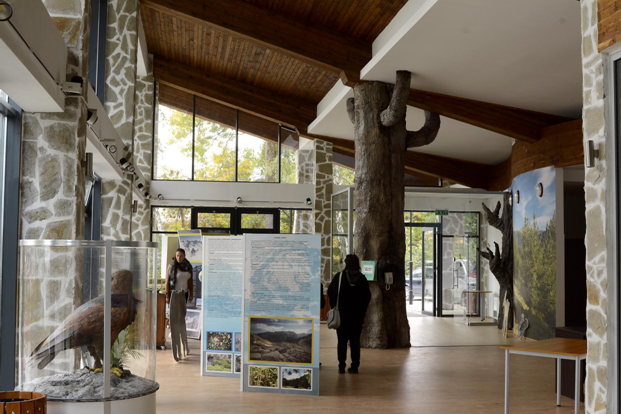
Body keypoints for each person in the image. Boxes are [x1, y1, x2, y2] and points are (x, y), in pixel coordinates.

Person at [328, 254, 371, 374]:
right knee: (355, 342)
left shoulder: (339, 277)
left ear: (346, 264)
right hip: (356, 318)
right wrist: (361, 312)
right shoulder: (362, 279)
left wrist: (334, 307)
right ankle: (355, 366)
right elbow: (367, 297)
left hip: (342, 317)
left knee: (341, 342)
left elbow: (330, 292)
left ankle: (341, 366)